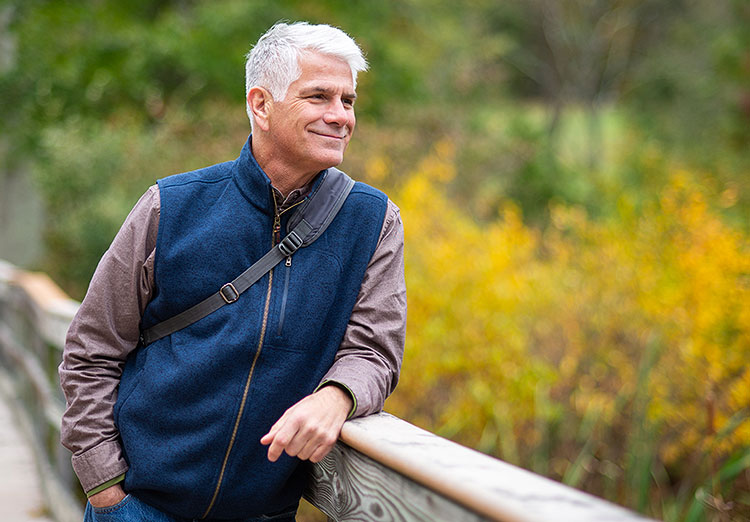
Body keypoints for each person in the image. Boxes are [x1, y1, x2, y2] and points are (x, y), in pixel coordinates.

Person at [59, 21, 406, 521]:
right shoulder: (170, 206)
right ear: (261, 105)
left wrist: (337, 396)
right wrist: (106, 490)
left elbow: (374, 349)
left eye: (348, 101)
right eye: (319, 97)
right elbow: (91, 351)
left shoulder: (373, 222)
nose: (340, 117)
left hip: (263, 514)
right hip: (140, 506)